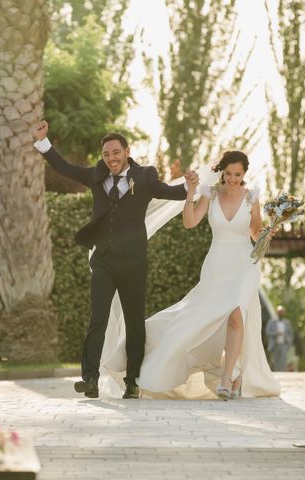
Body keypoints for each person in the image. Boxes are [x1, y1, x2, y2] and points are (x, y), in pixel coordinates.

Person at [33, 120, 198, 399]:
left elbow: (170, 193)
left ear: (127, 152)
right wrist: (43, 142)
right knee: (97, 318)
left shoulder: (145, 176)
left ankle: (132, 381)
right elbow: (65, 168)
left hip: (133, 260)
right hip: (104, 259)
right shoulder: (96, 175)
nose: (111, 159)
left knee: (134, 321)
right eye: (107, 154)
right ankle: (90, 379)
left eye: (116, 152)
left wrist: (190, 185)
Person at [104, 150, 281, 399]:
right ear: (222, 172)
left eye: (237, 174)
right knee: (195, 318)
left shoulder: (252, 197)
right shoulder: (211, 194)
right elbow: (190, 222)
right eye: (228, 174)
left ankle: (226, 378)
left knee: (238, 314)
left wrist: (266, 234)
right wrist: (190, 195)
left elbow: (255, 231)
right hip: (217, 264)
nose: (232, 179)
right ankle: (160, 362)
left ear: (244, 174)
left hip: (244, 263)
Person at [265, 305, 294, 372]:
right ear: (277, 312)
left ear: (284, 313)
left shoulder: (287, 323)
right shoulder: (271, 322)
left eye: (282, 312)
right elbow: (268, 332)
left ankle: (283, 373)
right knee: (275, 361)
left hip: (284, 344)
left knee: (283, 360)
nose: (280, 313)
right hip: (275, 345)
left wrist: (289, 343)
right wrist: (276, 333)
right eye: (279, 312)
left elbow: (291, 334)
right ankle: (277, 374)